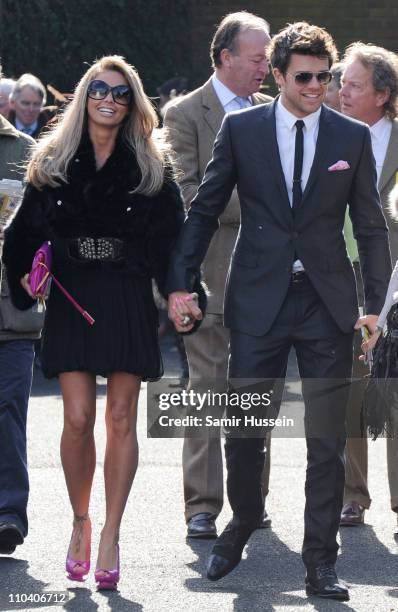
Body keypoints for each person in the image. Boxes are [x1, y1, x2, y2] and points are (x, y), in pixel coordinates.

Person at [167, 22, 391, 601]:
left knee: (326, 440)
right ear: (279, 74)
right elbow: (204, 206)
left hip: (326, 303)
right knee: (245, 430)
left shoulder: (349, 138)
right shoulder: (243, 130)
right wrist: (181, 283)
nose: (317, 86)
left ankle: (321, 560)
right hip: (258, 299)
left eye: (325, 76)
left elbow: (370, 227)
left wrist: (373, 307)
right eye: (304, 76)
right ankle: (242, 520)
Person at [3, 55, 201, 589]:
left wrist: (181, 291)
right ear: (84, 98)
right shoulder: (53, 160)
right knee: (74, 420)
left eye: (119, 92)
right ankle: (80, 521)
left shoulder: (153, 168)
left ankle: (112, 532)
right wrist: (24, 273)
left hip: (126, 295)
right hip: (72, 294)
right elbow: (21, 235)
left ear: (132, 103)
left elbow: (171, 244)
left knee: (119, 419)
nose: (108, 99)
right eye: (98, 90)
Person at [164, 11, 273, 539]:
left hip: (264, 279)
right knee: (206, 388)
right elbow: (188, 192)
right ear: (226, 57)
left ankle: (252, 501)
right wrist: (262, 202)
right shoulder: (185, 114)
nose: (266, 67)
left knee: (254, 392)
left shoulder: (273, 112)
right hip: (205, 276)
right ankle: (202, 505)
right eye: (258, 58)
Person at [338, 43, 398, 530]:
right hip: (344, 276)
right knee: (351, 390)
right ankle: (352, 495)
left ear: (382, 94)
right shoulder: (329, 136)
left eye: (353, 84)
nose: (340, 92)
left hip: (396, 279)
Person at [0, 67, 40, 556]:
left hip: (12, 311)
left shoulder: (25, 155)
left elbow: (47, 225)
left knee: (8, 411)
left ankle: (8, 513)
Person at [8, 73, 53, 138]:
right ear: (12, 103)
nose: (31, 109)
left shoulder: (51, 134)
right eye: (25, 103)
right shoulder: (3, 131)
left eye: (36, 104)